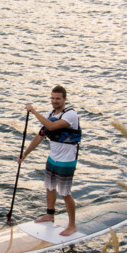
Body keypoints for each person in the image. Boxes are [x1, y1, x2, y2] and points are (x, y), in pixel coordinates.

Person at [17, 85, 81, 236]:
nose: (54, 101)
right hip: (53, 158)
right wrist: (25, 155)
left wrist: (33, 111)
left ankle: (72, 225)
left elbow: (51, 126)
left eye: (58, 98)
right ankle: (50, 214)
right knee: (50, 187)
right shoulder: (49, 114)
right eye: (52, 98)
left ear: (64, 99)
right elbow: (40, 136)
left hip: (67, 160)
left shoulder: (70, 115)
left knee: (65, 192)